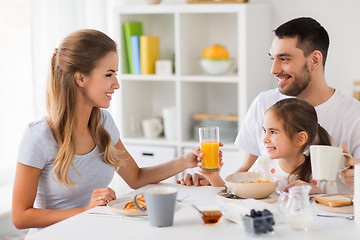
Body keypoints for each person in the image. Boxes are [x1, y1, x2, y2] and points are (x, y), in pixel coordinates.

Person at [12, 29, 199, 233]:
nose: (116, 84)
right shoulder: (39, 136)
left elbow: (135, 177)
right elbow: (21, 216)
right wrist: (85, 210)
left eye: (116, 74)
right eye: (109, 74)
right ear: (80, 78)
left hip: (95, 231)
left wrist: (184, 162)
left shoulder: (103, 123)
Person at [180, 17, 360, 191]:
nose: (274, 70)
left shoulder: (354, 115)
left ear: (314, 60)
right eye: (272, 59)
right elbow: (244, 174)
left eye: (284, 59)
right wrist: (211, 181)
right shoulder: (264, 103)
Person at [201, 98, 333, 195]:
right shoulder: (262, 165)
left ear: (300, 138)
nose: (265, 139)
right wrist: (214, 178)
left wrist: (316, 193)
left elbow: (333, 206)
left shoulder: (320, 172)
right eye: (265, 131)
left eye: (273, 132)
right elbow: (231, 194)